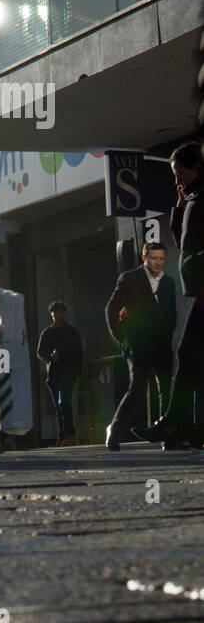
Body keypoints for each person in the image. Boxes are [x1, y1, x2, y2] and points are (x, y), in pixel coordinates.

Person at [135, 142, 204, 449]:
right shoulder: (193, 197)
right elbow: (182, 241)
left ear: (197, 167)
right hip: (200, 287)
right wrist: (179, 207)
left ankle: (176, 426)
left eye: (181, 172)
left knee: (189, 354)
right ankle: (184, 428)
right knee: (192, 357)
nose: (178, 179)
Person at [104, 242, 177, 450]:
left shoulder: (169, 282)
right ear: (144, 258)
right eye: (154, 258)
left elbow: (171, 313)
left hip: (162, 344)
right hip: (137, 343)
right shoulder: (130, 278)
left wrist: (168, 331)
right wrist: (122, 339)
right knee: (137, 388)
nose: (158, 263)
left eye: (161, 259)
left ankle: (168, 434)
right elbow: (111, 309)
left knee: (166, 388)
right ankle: (114, 431)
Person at [35, 302, 84, 446]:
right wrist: (50, 357)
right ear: (52, 314)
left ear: (64, 313)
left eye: (61, 312)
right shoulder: (47, 332)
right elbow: (39, 352)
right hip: (54, 373)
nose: (58, 315)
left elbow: (79, 352)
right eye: (56, 313)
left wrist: (78, 372)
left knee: (64, 402)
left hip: (68, 372)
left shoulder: (72, 331)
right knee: (58, 405)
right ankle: (62, 436)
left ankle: (70, 434)